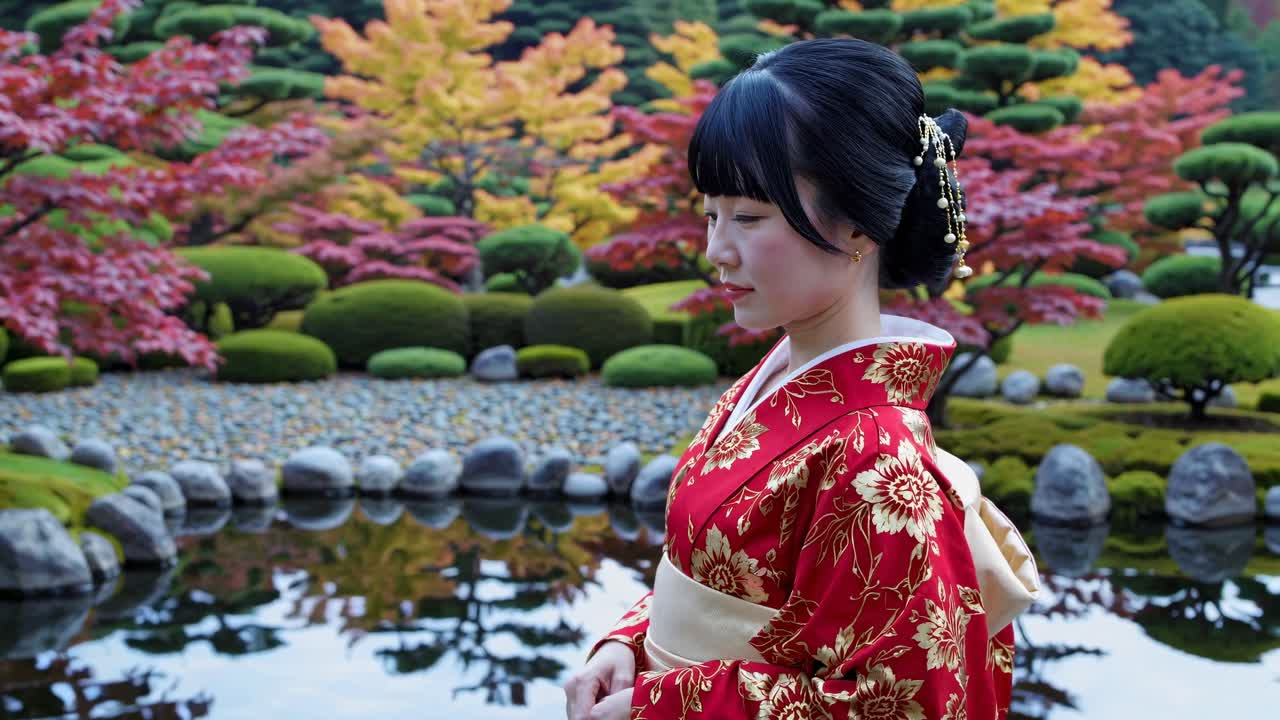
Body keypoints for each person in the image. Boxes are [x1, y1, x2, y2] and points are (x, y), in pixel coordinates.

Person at [564, 37, 1039, 720]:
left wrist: (669, 704)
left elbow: (909, 706)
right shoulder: (775, 380)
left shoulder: (880, 461)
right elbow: (717, 592)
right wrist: (631, 641)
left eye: (749, 218)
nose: (715, 250)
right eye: (710, 215)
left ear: (856, 228)